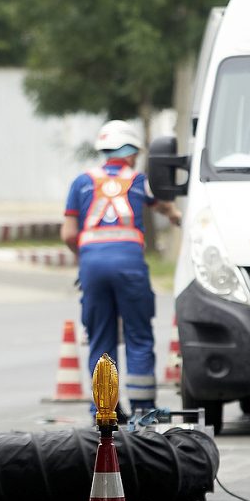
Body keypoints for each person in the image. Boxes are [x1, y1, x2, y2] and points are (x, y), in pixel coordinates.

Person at [62, 120, 182, 419]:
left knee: (100, 338)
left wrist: (86, 256)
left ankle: (104, 411)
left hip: (92, 266)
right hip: (129, 265)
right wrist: (175, 215)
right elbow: (163, 205)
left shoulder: (81, 182)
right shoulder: (139, 181)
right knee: (138, 335)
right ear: (130, 153)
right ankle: (143, 409)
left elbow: (68, 233)